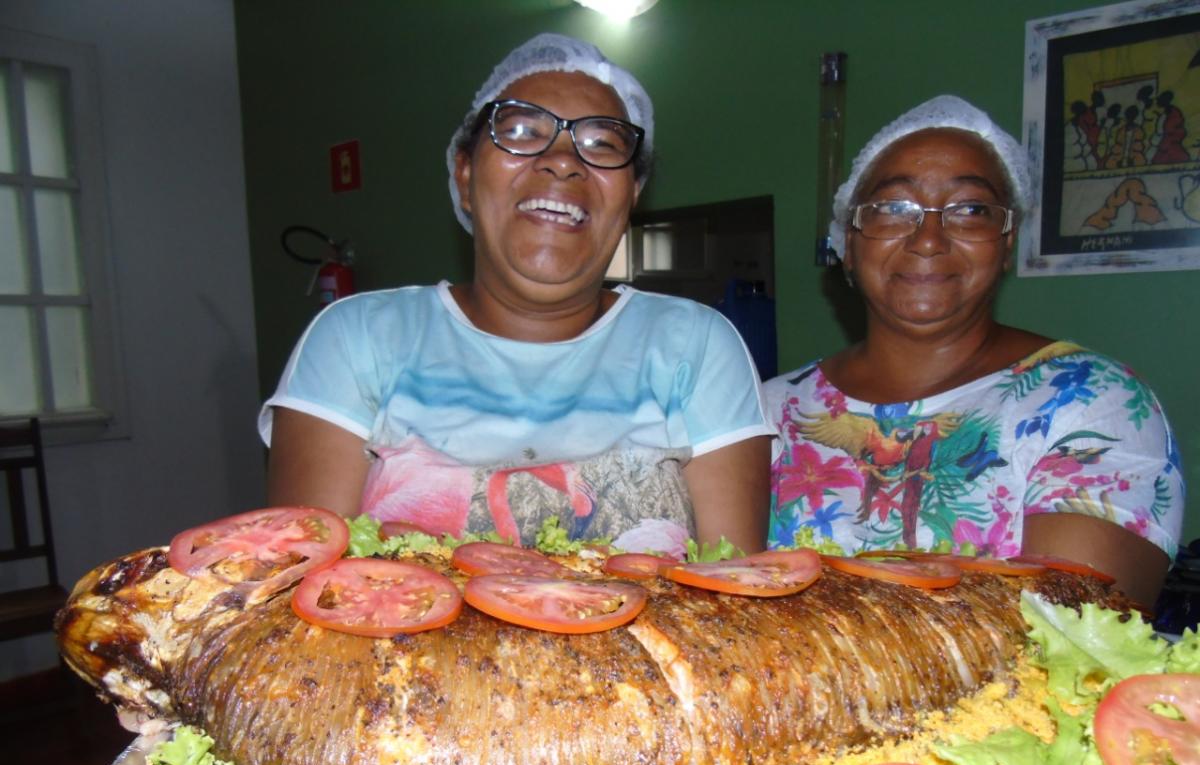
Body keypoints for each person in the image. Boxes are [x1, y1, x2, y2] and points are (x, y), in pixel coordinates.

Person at [261, 33, 773, 557]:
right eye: (522, 131)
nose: (563, 160)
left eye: (603, 145)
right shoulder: (357, 338)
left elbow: (733, 596)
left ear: (632, 195)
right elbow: (304, 588)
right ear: (464, 175)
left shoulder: (697, 345)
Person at [764, 95, 1183, 612]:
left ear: (1006, 245)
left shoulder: (1092, 401)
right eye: (894, 208)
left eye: (971, 210)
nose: (929, 238)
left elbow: (1069, 635)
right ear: (849, 242)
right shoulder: (764, 410)